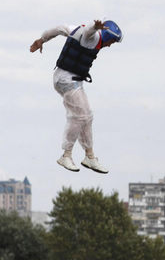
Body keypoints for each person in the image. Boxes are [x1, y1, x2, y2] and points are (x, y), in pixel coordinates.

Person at [30, 19, 123, 174]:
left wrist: (42, 39)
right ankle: (66, 155)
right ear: (106, 36)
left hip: (70, 80)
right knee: (79, 117)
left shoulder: (75, 29)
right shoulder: (91, 37)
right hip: (66, 80)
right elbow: (88, 32)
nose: (111, 44)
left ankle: (90, 156)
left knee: (87, 117)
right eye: (112, 41)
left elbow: (59, 28)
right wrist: (94, 27)